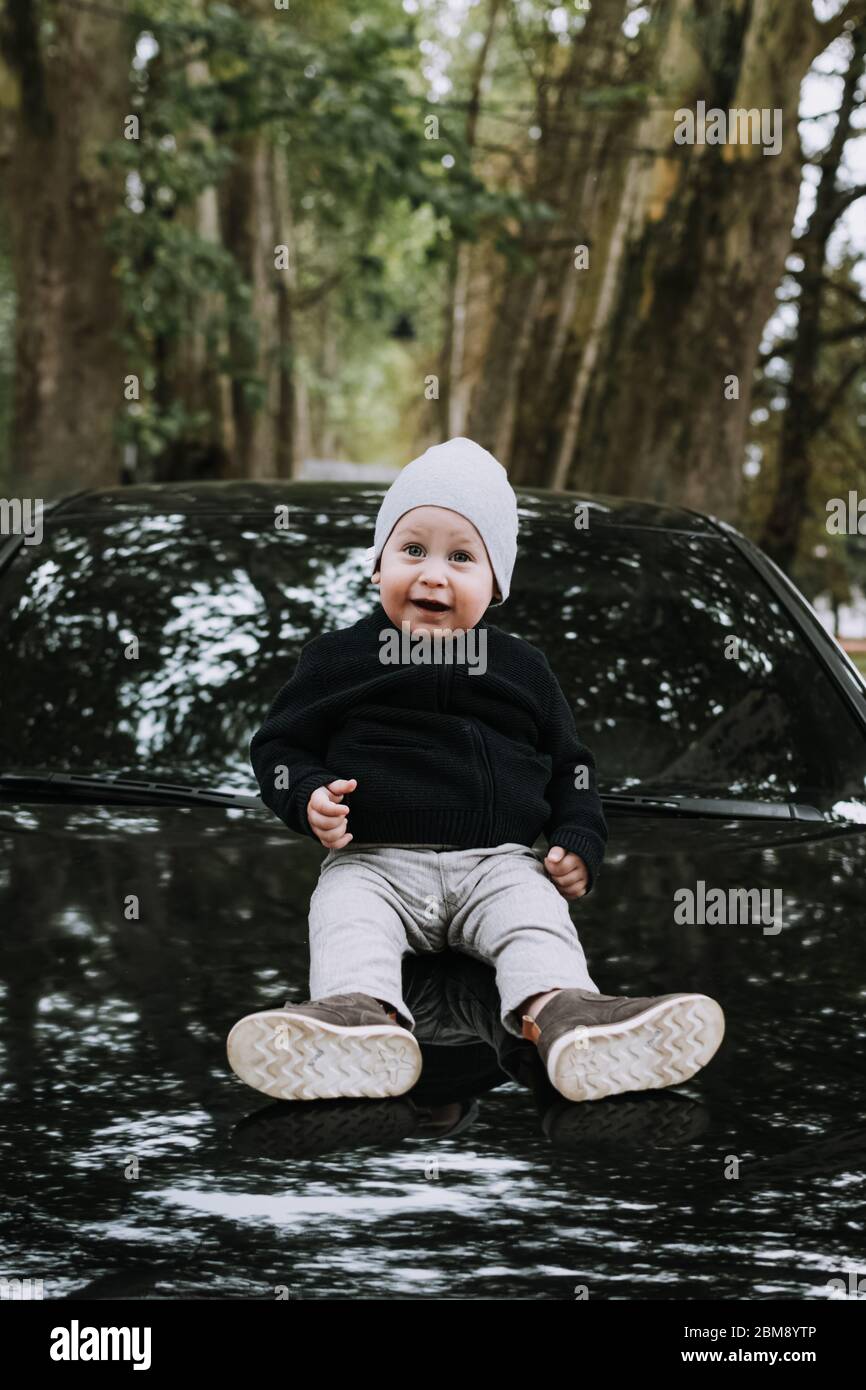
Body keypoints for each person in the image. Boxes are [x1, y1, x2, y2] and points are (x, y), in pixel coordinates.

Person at [227, 437, 724, 1103]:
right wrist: (307, 793)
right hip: (375, 862)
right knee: (344, 915)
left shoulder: (523, 670)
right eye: (413, 550)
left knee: (535, 919)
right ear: (378, 567)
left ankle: (567, 1018)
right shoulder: (339, 659)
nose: (433, 574)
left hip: (499, 864)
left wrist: (580, 838)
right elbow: (278, 748)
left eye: (461, 557)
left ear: (496, 587)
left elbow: (571, 768)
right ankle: (357, 1020)